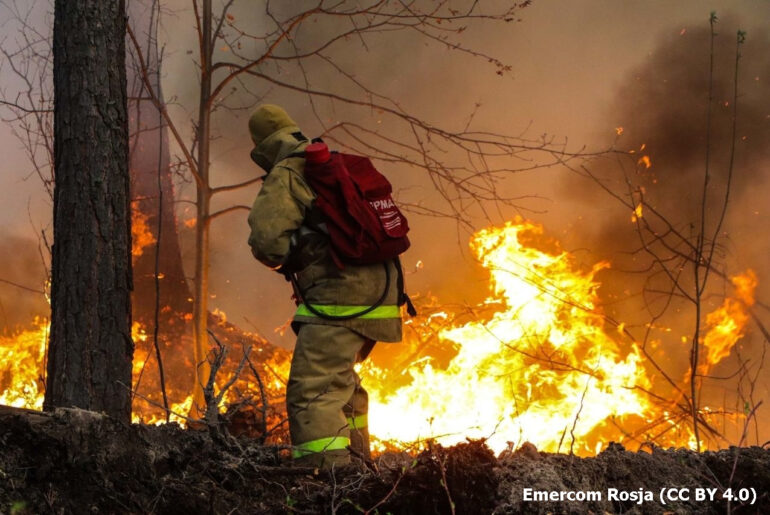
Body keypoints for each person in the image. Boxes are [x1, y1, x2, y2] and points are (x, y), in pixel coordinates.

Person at [246, 104, 403, 468]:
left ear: (262, 147)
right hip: (383, 294)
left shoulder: (288, 171)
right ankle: (357, 469)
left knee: (313, 389)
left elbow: (267, 242)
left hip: (341, 296)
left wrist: (292, 257)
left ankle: (325, 477)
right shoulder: (332, 163)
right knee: (340, 384)